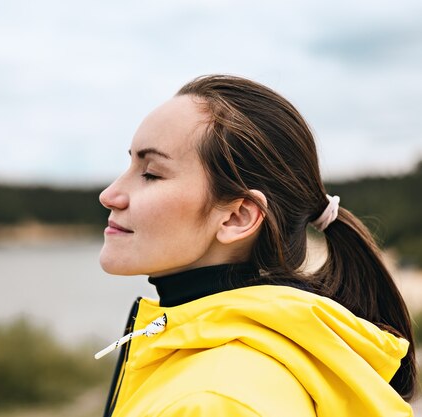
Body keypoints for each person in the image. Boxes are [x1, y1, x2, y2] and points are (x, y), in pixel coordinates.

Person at [95, 75, 416, 417]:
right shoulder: (246, 363)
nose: (109, 195)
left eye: (151, 173)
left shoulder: (216, 401)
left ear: (237, 217)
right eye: (130, 163)